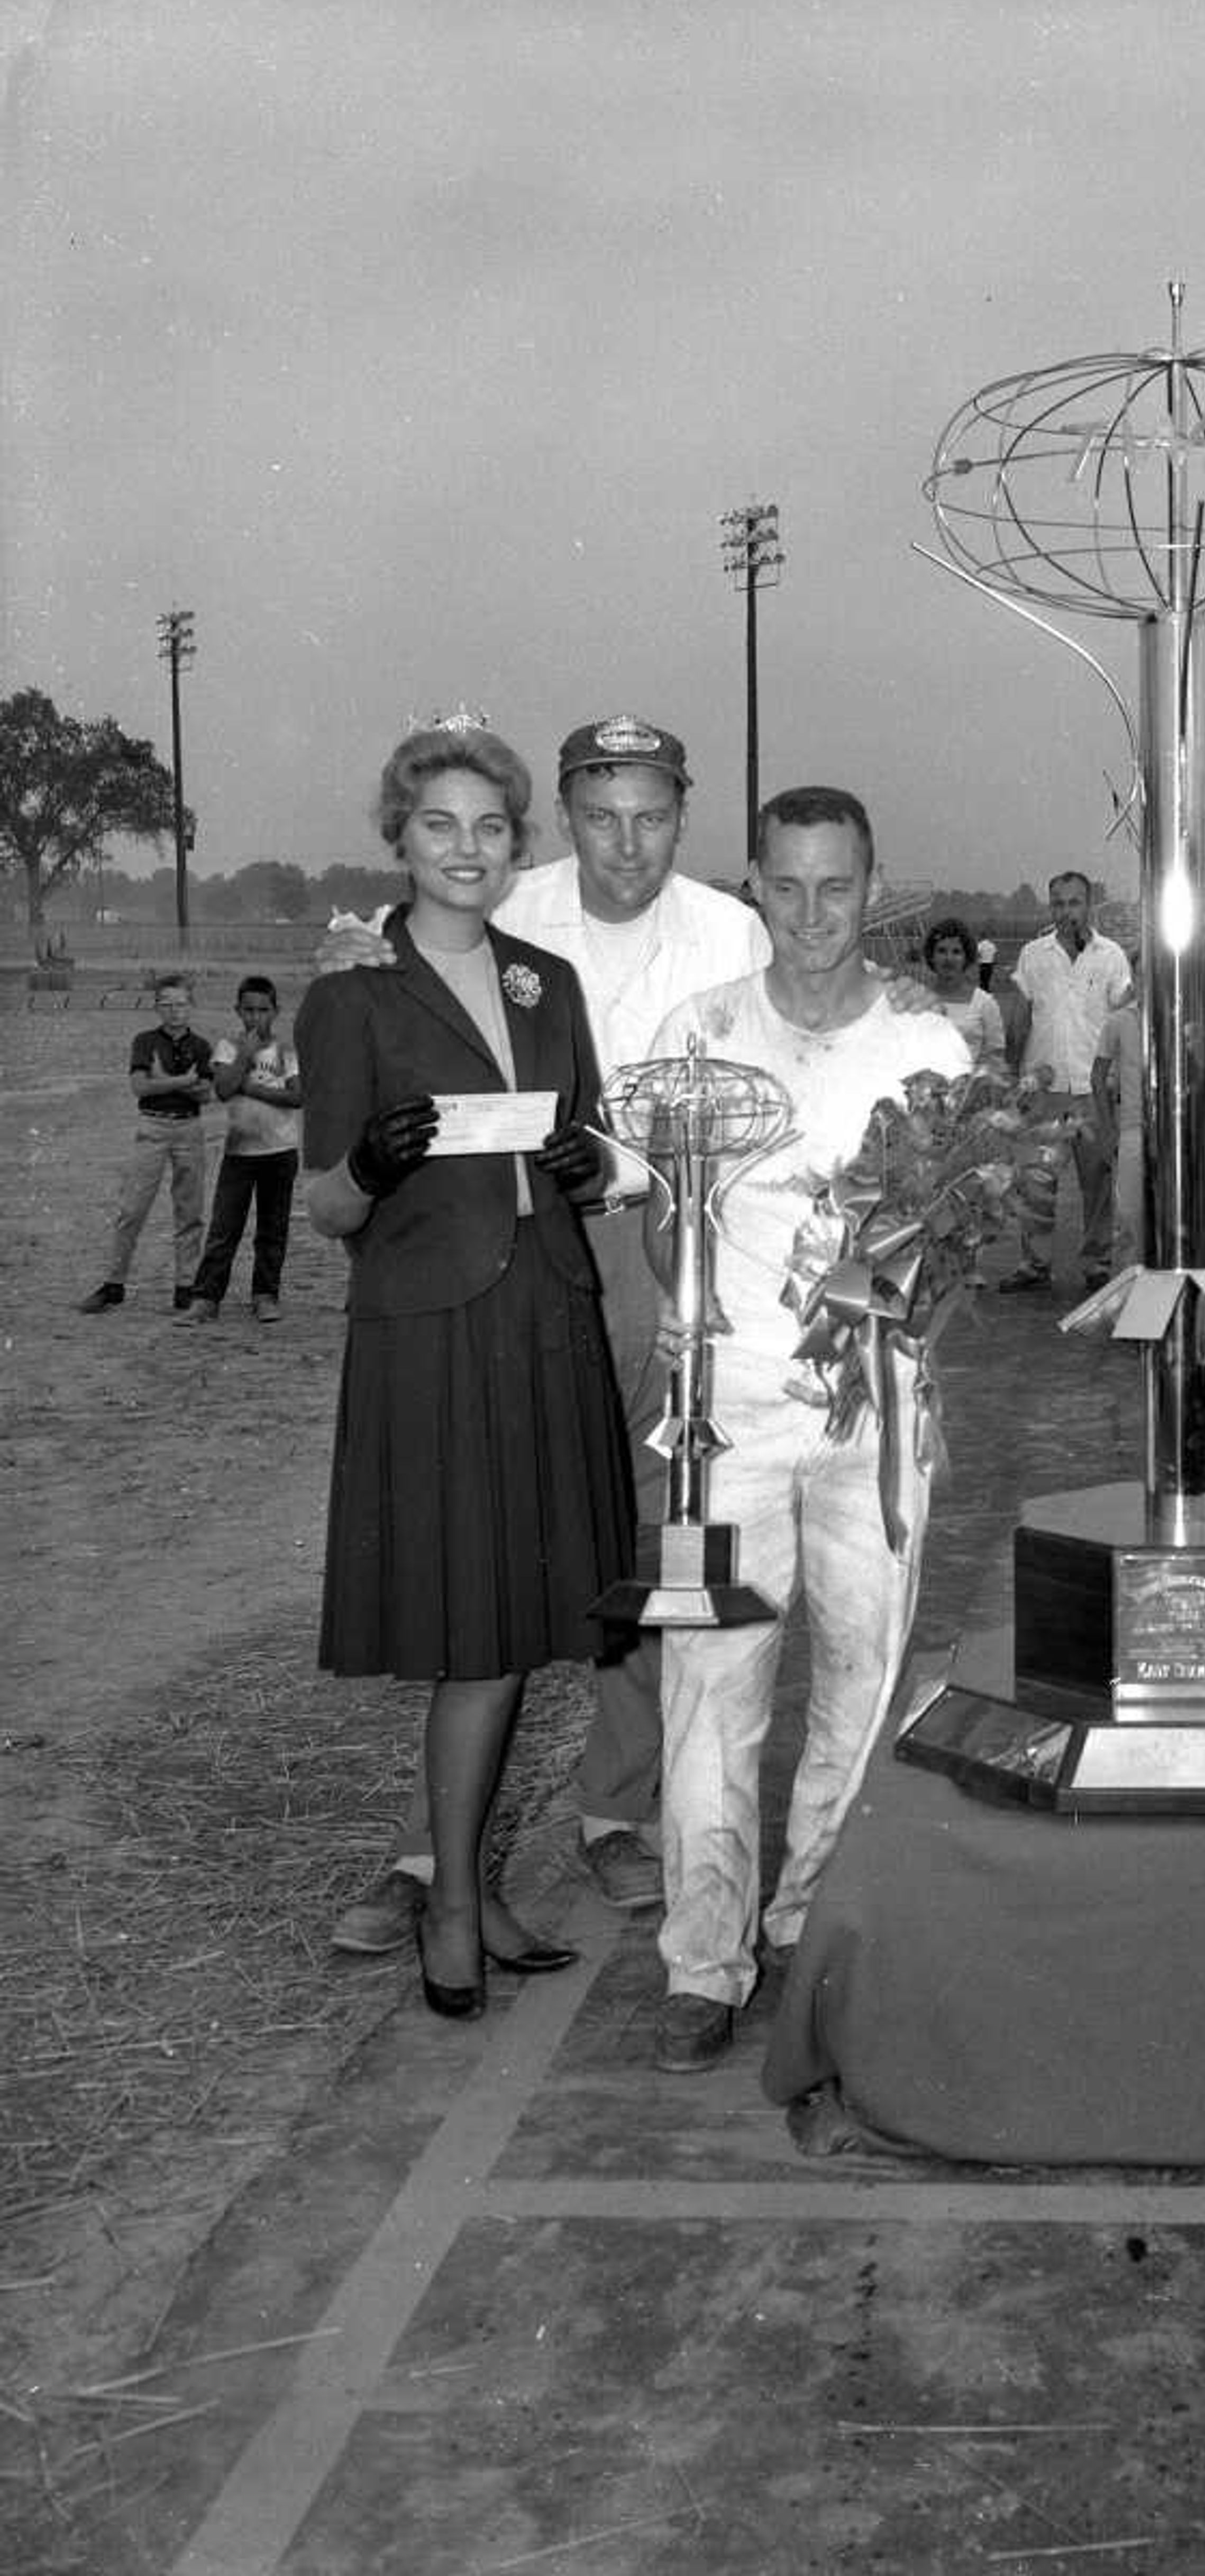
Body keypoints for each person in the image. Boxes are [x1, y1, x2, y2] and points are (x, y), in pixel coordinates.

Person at [327, 715, 771, 1954]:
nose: (625, 841)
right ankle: (434, 1852)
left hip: (668, 1243)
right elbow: (387, 1003)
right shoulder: (508, 906)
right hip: (520, 1263)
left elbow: (764, 1093)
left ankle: (612, 1810)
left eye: (651, 814)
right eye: (599, 813)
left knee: (648, 1536)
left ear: (682, 816)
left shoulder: (731, 931)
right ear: (562, 816)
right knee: (488, 1551)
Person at [296, 720, 635, 2019]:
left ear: (516, 844)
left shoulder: (548, 980)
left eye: (490, 828)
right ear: (400, 836)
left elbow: (595, 1147)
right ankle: (451, 1897)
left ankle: (472, 1884)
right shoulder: (348, 996)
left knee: (516, 1626)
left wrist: (585, 1167)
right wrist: (371, 1165)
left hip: (543, 1316)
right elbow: (325, 1206)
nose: (466, 849)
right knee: (472, 1634)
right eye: (439, 825)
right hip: (432, 1333)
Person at [647, 785, 972, 2071]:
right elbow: (657, 1210)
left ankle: (810, 1921)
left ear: (872, 884)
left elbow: (957, 1247)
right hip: (719, 1424)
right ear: (753, 886)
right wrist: (675, 1329)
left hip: (875, 1420)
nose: (809, 915)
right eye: (783, 887)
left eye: (834, 887)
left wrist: (905, 1319)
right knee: (708, 1687)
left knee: (862, 1678)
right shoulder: (699, 1032)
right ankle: (699, 1961)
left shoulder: (930, 1049)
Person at [1000, 870, 1131, 1294]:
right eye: (1058, 903)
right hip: (1045, 1089)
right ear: (1049, 906)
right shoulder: (1033, 956)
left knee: (1098, 1182)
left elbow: (1124, 1017)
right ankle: (1034, 1262)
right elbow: (1020, 1020)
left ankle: (1096, 1263)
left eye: (1074, 902)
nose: (1066, 911)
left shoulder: (1111, 956)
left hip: (1094, 1090)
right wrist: (1013, 1078)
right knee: (1037, 1181)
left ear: (1089, 905)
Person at [77, 973, 213, 1313]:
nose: (174, 1011)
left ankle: (185, 1285)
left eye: (180, 1003)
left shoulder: (202, 1047)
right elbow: (140, 1087)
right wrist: (182, 1080)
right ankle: (114, 1283)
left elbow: (206, 1093)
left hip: (189, 1129)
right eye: (166, 1004)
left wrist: (163, 1081)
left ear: (190, 1006)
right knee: (133, 1209)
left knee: (190, 1211)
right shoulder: (144, 1041)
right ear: (157, 1007)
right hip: (153, 1126)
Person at [184, 976, 301, 1324]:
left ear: (275, 1012)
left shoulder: (286, 1050)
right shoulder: (228, 1047)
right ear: (238, 1011)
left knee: (272, 1229)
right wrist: (245, 1057)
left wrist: (249, 1086)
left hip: (281, 1151)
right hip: (239, 1154)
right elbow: (222, 1089)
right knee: (225, 1228)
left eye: (263, 1010)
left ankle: (265, 1295)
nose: (255, 1017)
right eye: (248, 1010)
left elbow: (297, 1096)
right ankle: (206, 1298)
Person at [1091, 956, 1145, 1272]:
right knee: (1127, 1213)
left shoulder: (1184, 1017)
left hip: (1175, 1130)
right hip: (1132, 1126)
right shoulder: (1119, 1021)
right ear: (1133, 978)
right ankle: (1125, 1288)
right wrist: (1108, 1129)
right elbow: (1098, 1077)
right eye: (1141, 974)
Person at [921, 915, 1006, 1065]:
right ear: (931, 956)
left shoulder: (985, 1003)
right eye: (942, 951)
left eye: (956, 952)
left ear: (966, 958)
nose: (949, 959)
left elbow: (996, 1056)